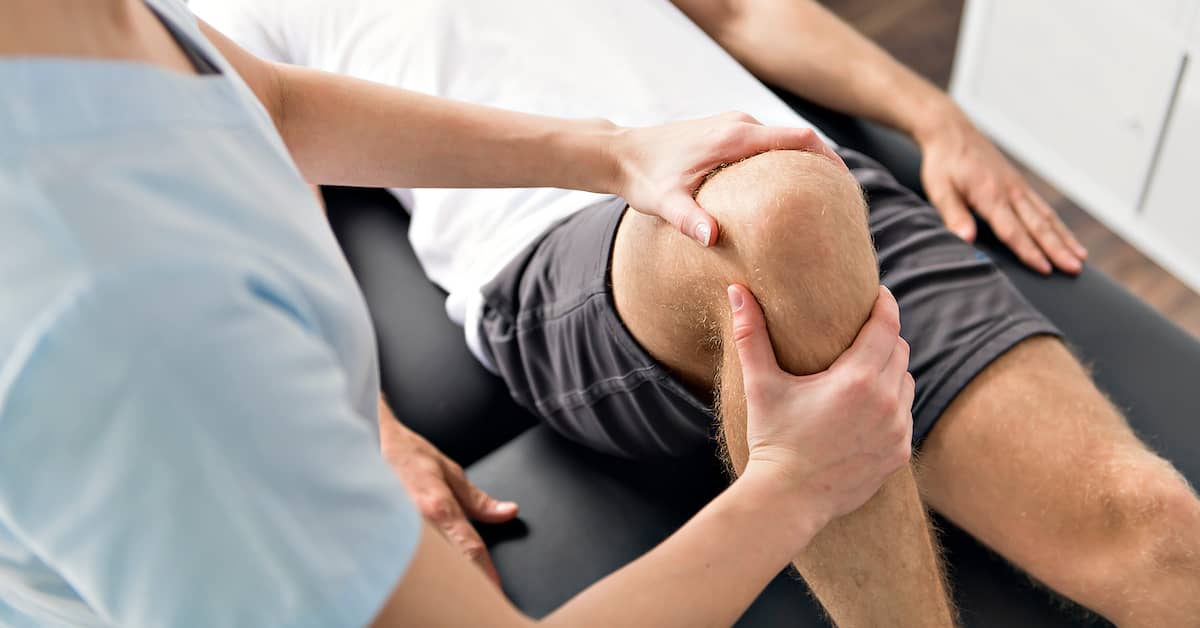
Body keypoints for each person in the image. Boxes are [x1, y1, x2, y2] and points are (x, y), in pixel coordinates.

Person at [192, 0, 1200, 625]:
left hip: (812, 184)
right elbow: (275, 197)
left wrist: (934, 114)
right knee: (778, 206)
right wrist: (372, 426)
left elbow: (741, 11)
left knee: (1163, 535)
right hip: (570, 254)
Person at [0, 1, 914, 626]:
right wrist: (796, 485)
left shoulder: (93, 24)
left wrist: (610, 153)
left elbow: (269, 100)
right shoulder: (119, 314)